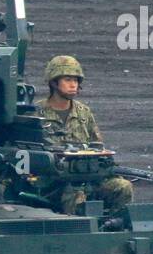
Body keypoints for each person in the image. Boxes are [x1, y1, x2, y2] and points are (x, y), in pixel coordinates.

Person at [35, 55, 132, 215]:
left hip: (85, 178)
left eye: (76, 80)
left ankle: (113, 226)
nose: (73, 85)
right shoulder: (36, 113)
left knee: (123, 187)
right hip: (52, 183)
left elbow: (97, 146)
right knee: (77, 196)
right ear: (53, 82)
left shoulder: (83, 112)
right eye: (67, 79)